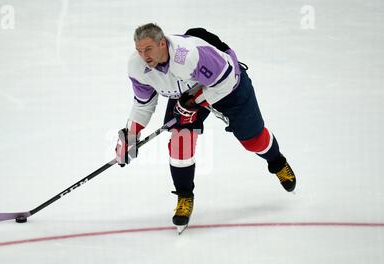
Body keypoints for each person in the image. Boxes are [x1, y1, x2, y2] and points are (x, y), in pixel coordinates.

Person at [115, 23, 296, 230]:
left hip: (229, 87)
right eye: (139, 50)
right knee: (180, 140)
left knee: (253, 140)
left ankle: (277, 162)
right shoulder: (137, 66)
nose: (143, 55)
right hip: (188, 93)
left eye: (148, 49)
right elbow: (143, 103)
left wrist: (193, 103)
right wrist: (130, 135)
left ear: (162, 43)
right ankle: (184, 196)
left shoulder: (188, 55)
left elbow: (226, 81)